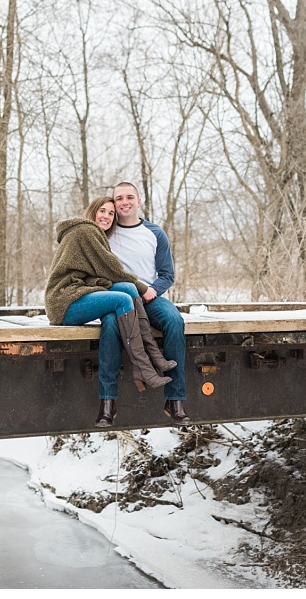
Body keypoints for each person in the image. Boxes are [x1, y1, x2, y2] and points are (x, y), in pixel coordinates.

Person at [45, 196, 176, 428]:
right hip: (64, 302)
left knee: (123, 294)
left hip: (78, 293)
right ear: (92, 212)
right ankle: (145, 366)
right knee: (123, 298)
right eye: (102, 211)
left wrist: (129, 285)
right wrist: (144, 288)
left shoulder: (89, 233)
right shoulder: (86, 231)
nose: (106, 216)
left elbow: (93, 275)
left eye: (111, 213)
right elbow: (112, 268)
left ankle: (151, 358)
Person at [110, 182, 191, 425]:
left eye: (129, 197)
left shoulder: (154, 233)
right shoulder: (105, 232)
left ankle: (175, 400)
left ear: (139, 201)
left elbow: (167, 274)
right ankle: (108, 401)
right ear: (113, 203)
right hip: (118, 300)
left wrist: (152, 291)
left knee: (175, 321)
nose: (124, 202)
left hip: (148, 298)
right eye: (119, 198)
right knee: (110, 329)